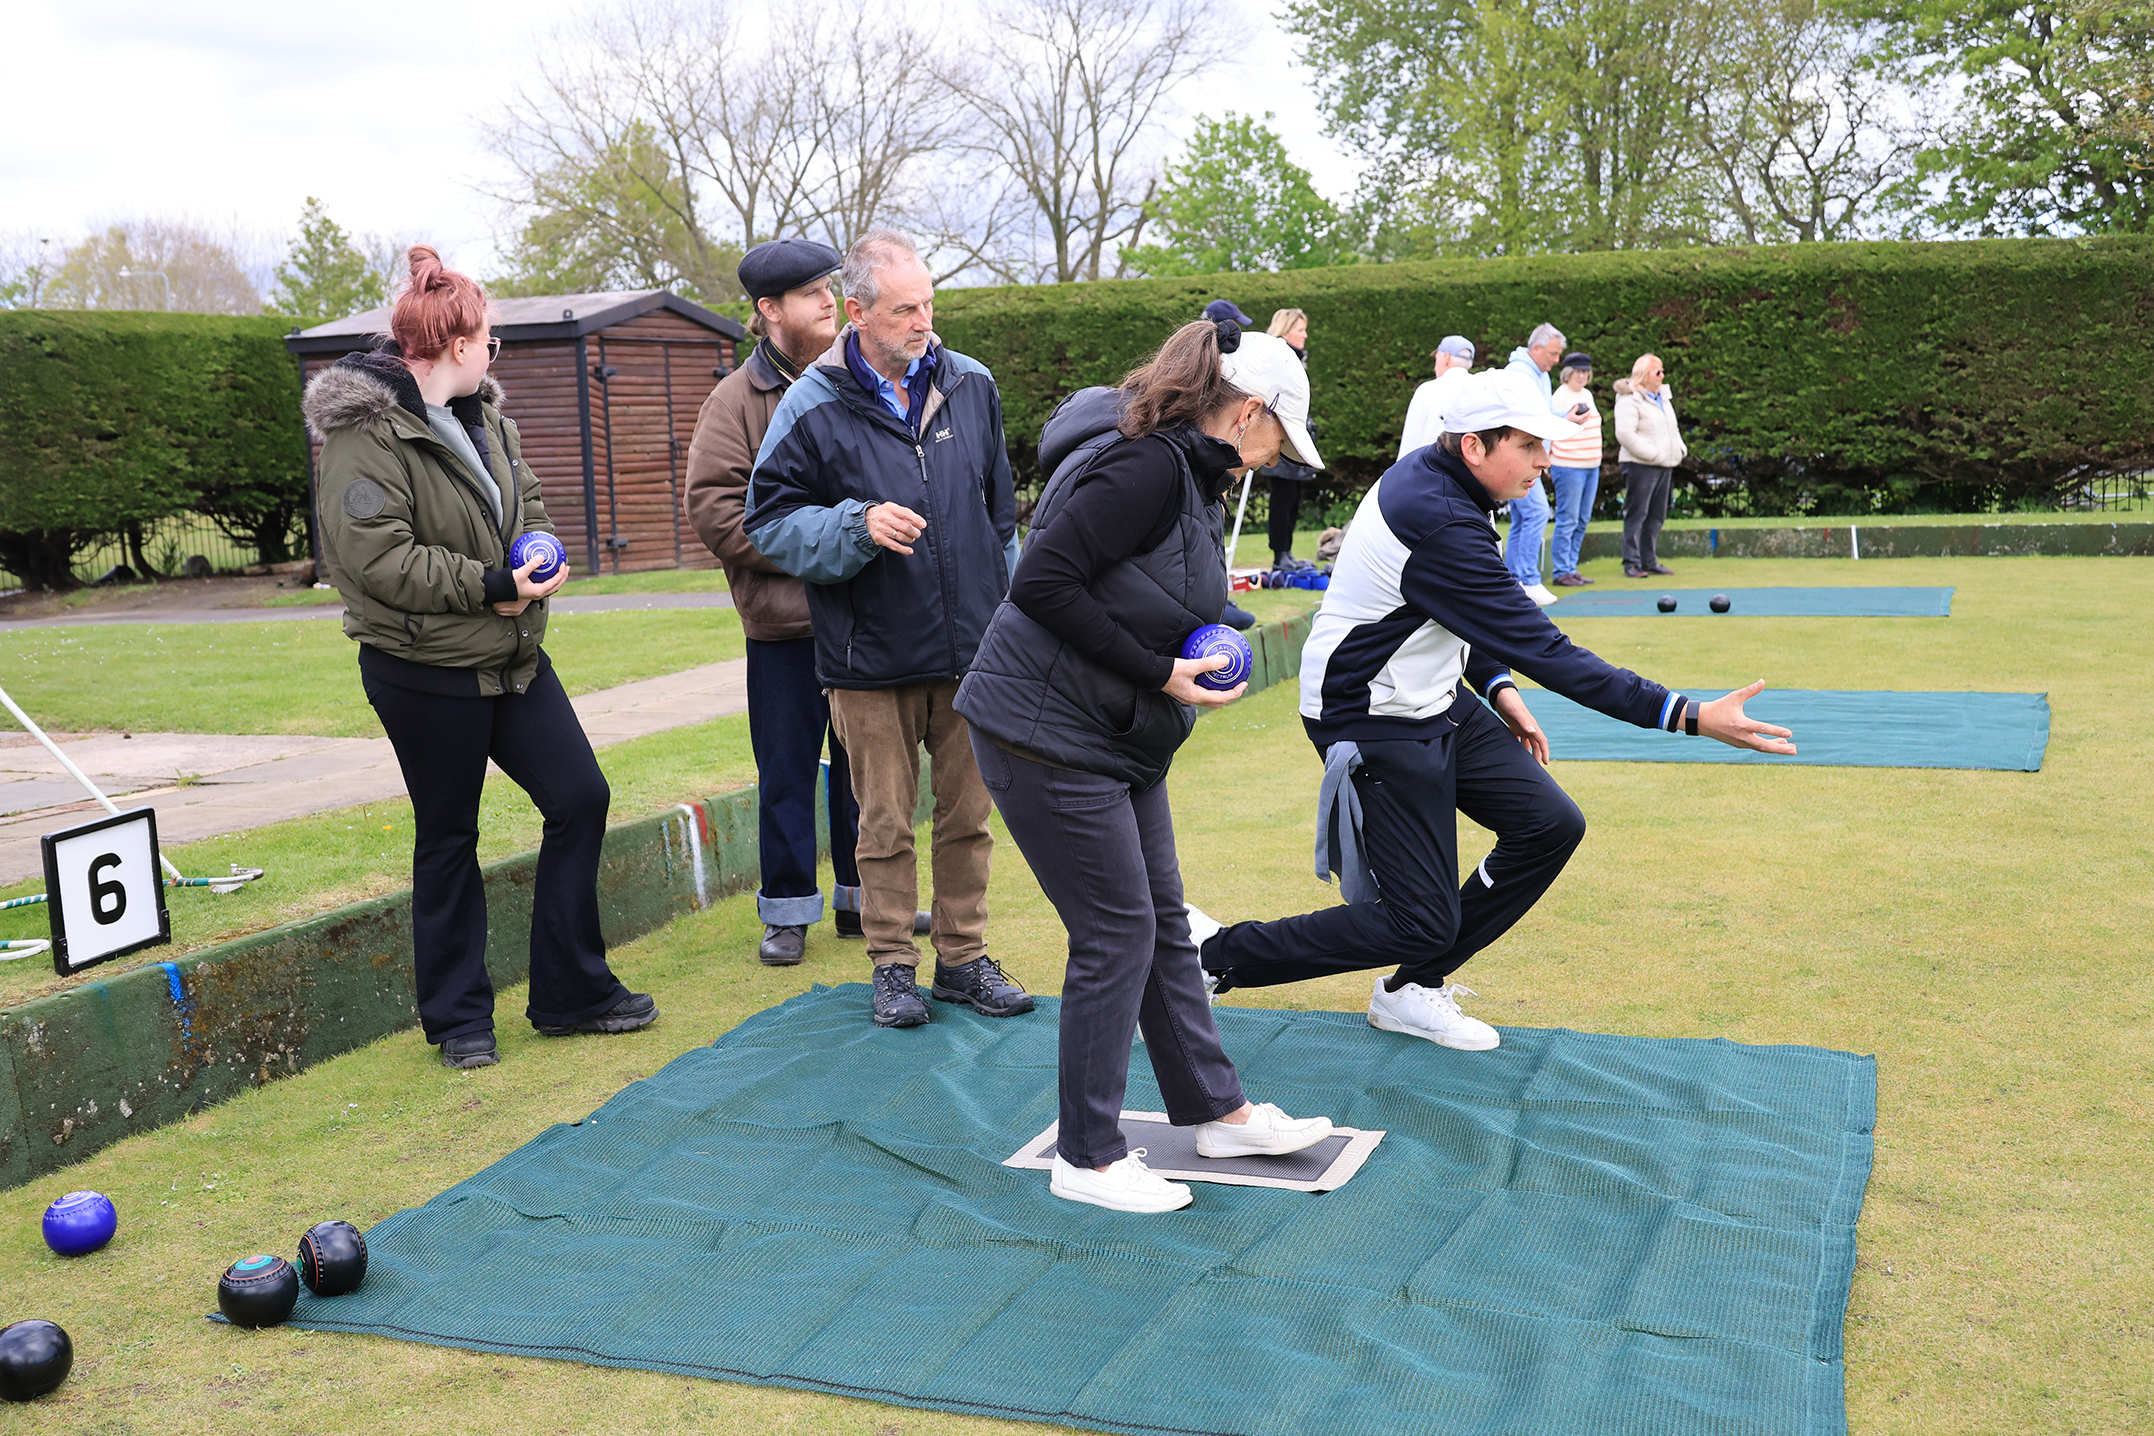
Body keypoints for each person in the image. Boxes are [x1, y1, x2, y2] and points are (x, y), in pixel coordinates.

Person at [1189, 367, 1795, 1050]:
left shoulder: (1449, 482)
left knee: (1548, 825)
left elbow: (1446, 608)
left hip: (1435, 698)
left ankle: (1413, 988)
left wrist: (1498, 687)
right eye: (1529, 446)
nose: (1545, 461)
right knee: (1419, 920)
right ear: (1475, 446)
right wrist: (1690, 715)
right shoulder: (1439, 515)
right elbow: (1549, 652)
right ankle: (1210, 956)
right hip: (1367, 715)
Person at [955, 320, 1339, 1213]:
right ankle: (1088, 1157)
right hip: (1044, 733)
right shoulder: (1146, 465)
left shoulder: (1186, 473)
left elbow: (1138, 583)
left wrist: (1202, 639)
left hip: (1114, 733)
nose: (1275, 460)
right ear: (1247, 413)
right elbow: (1041, 582)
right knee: (1116, 933)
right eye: (1279, 441)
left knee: (1161, 920)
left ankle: (1216, 1111)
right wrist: (1162, 670)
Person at [307, 246, 657, 1070]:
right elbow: (376, 560)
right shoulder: (364, 437)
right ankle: (460, 1020)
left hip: (512, 657)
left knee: (580, 797)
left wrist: (538, 556)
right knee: (448, 835)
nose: (493, 354)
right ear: (459, 345)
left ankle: (571, 994)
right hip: (423, 671)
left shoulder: (486, 419)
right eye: (489, 340)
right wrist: (492, 584)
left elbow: (526, 500)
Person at [745, 229, 1033, 1030]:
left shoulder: (972, 382)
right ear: (858, 311)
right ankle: (892, 969)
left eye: (929, 304)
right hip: (868, 656)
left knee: (968, 820)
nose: (924, 322)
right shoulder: (809, 403)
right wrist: (856, 524)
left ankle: (964, 961)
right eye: (906, 309)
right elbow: (766, 522)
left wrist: (1010, 625)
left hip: (973, 654)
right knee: (882, 824)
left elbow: (1000, 519)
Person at [684, 239, 928, 966]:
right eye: (810, 293)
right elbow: (717, 512)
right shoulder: (733, 401)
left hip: (865, 616)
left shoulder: (861, 378)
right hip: (785, 625)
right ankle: (787, 912)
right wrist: (826, 549)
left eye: (830, 288)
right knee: (787, 772)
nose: (829, 301)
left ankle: (864, 903)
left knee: (870, 773)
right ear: (769, 309)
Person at [1502, 324, 1566, 606]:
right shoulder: (1518, 373)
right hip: (1519, 457)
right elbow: (1522, 419)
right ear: (1536, 348)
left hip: (1530, 457)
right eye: (1553, 353)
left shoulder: (1541, 374)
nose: (1556, 360)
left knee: (1522, 518)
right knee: (1537, 512)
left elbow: (1545, 413)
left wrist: (1565, 416)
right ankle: (1528, 580)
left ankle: (1512, 582)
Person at [1614, 353, 1687, 578]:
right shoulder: (1629, 399)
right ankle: (1631, 563)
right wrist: (1652, 454)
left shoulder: (1663, 398)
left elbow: (1671, 429)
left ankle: (1649, 560)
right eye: (1658, 372)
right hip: (1639, 465)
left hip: (1664, 464)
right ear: (1645, 375)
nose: (1662, 376)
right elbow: (1625, 434)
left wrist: (1679, 449)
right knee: (1637, 513)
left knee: (1657, 515)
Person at [1258, 307, 1320, 571]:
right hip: (1280, 436)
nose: (1305, 335)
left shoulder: (1294, 357)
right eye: (1300, 329)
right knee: (1282, 499)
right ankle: (1279, 557)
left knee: (1292, 497)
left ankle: (1287, 553)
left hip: (1293, 435)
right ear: (1285, 331)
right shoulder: (1278, 357)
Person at [1547, 351, 1604, 586]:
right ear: (1568, 373)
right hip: (1569, 465)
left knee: (1582, 519)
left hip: (1591, 464)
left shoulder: (1587, 394)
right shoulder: (1560, 397)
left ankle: (1571, 566)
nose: (1581, 376)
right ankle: (1561, 571)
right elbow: (1551, 426)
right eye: (1577, 372)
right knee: (1568, 519)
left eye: (1585, 372)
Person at [1398, 335, 1476, 459]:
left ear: (1446, 357)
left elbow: (1411, 440)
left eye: (1436, 358)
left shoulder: (1427, 390)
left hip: (1428, 466)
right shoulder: (1480, 388)